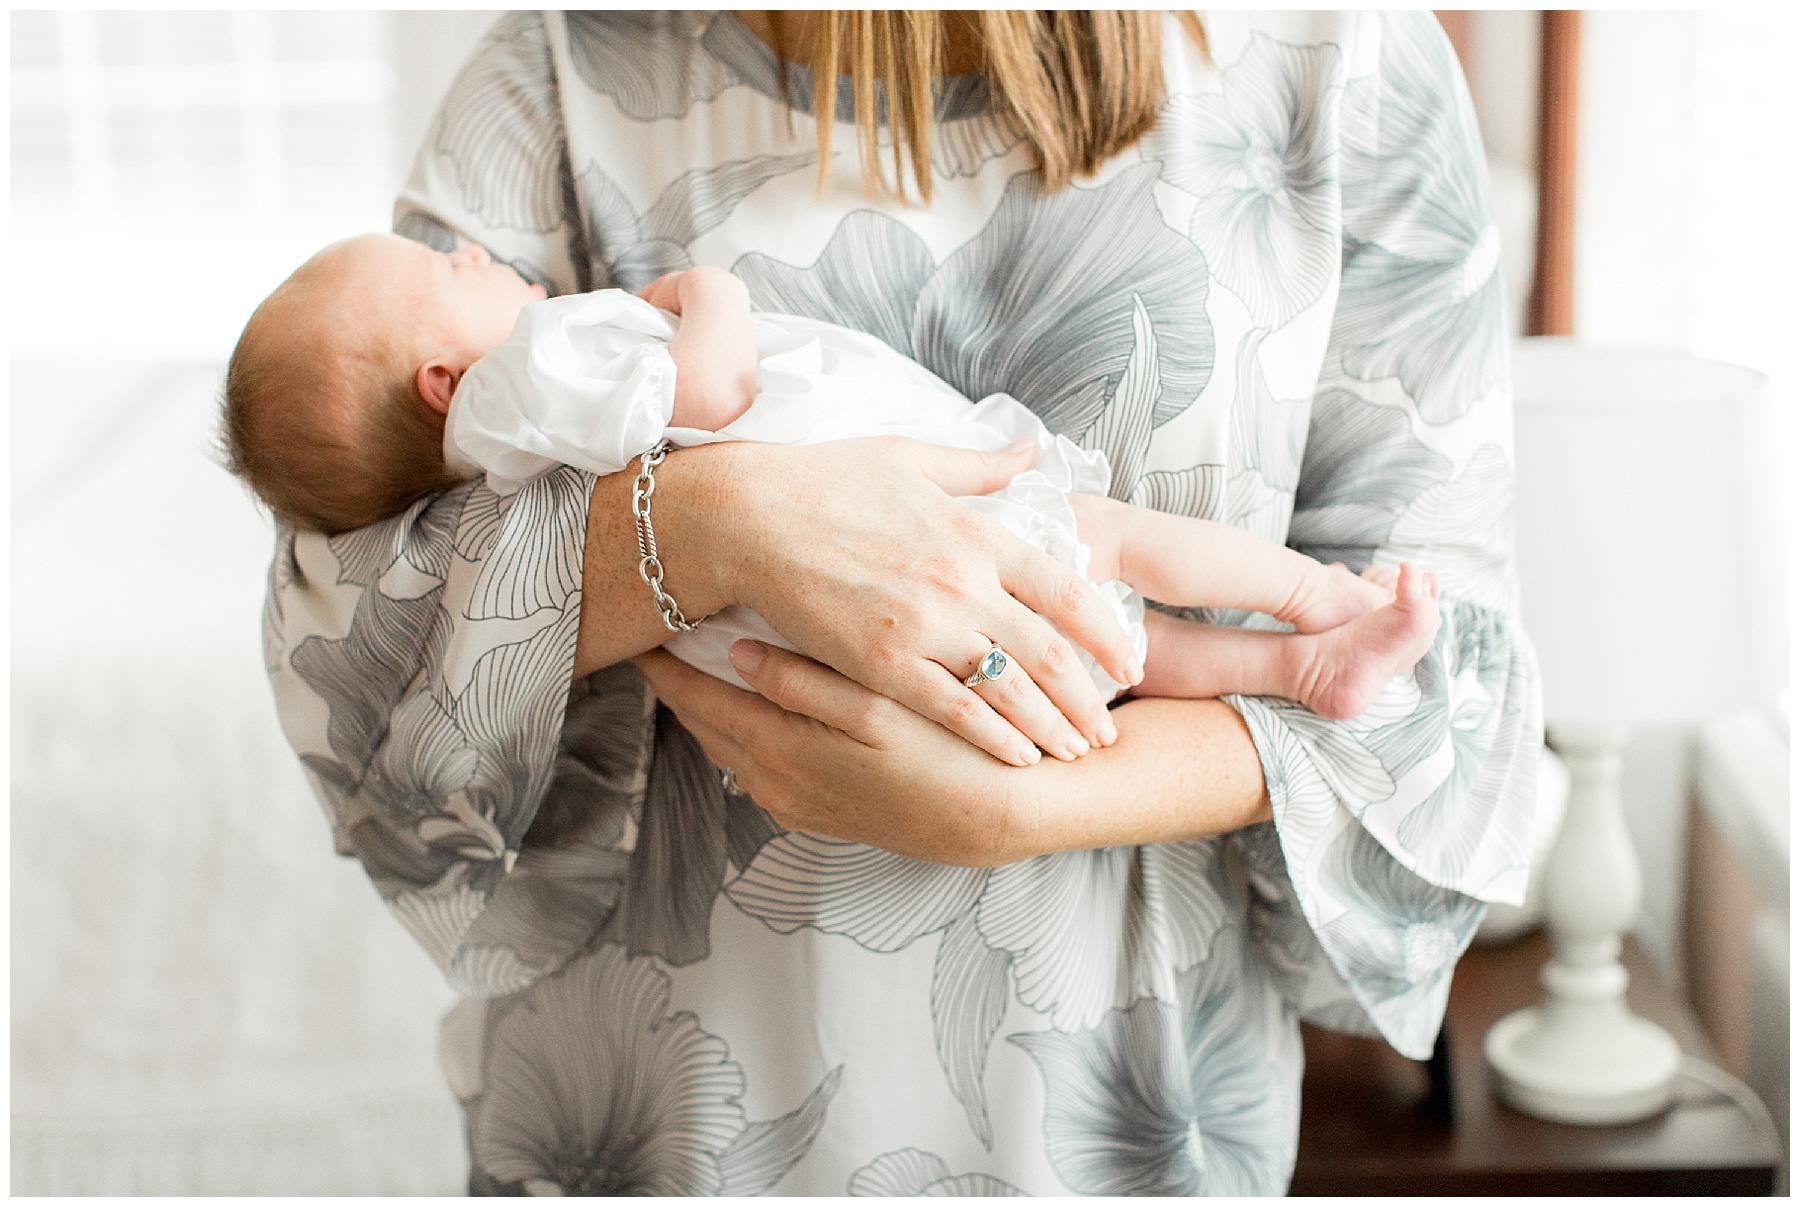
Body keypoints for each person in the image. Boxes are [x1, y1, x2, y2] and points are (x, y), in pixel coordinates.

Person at [260, 10, 1541, 1195]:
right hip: (668, 1134)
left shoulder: (1336, 59)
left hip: (1103, 1132)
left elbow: (1450, 690)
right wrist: (717, 527)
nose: (471, 267)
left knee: (1180, 605)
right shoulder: (561, 73)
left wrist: (1024, 802)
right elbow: (347, 639)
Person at [227, 243, 1442, 747]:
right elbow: (714, 389)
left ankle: (1293, 671)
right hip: (866, 492)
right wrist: (711, 291)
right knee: (1106, 549)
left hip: (814, 599)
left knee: (1105, 636)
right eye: (446, 266)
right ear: (440, 382)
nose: (476, 253)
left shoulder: (504, 421)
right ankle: (1317, 600)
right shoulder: (529, 367)